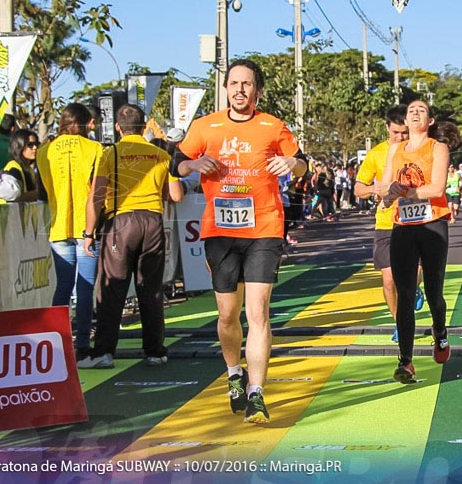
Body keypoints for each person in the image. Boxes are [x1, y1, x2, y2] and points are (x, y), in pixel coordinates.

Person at [172, 59, 307, 423]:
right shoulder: (205, 126)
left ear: (257, 91)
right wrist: (192, 167)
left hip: (264, 228)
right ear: (226, 88)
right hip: (220, 231)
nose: (240, 90)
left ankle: (257, 393)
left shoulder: (272, 126)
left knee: (257, 313)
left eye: (246, 84)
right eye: (234, 83)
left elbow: (302, 162)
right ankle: (234, 373)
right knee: (228, 315)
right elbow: (177, 163)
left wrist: (291, 166)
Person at [79, 104, 183, 369]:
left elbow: (97, 196)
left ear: (117, 128)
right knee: (150, 289)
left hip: (120, 222)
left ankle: (104, 352)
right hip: (152, 221)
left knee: (112, 289)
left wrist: (89, 233)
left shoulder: (110, 153)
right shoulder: (160, 154)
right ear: (145, 125)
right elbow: (177, 195)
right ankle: (155, 351)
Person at [379, 99, 460, 383]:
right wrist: (388, 196)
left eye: (421, 110)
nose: (415, 113)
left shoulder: (438, 148)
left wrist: (408, 194)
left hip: (433, 224)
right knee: (404, 293)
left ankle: (440, 334)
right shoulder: (395, 150)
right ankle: (406, 361)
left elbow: (437, 187)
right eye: (411, 110)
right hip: (403, 226)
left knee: (435, 293)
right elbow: (388, 186)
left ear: (431, 121)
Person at [36, 103, 104, 360]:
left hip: (57, 226)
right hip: (86, 228)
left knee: (63, 286)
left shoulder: (45, 151)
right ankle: (83, 345)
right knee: (85, 288)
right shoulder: (95, 149)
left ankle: (55, 344)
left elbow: (43, 190)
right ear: (86, 123)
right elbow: (98, 193)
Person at [354, 104, 423, 342]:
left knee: (414, 273)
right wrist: (374, 188)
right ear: (387, 128)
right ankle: (399, 323)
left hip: (416, 219)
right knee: (389, 279)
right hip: (385, 221)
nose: (400, 137)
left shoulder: (422, 149)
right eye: (396, 133)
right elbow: (358, 188)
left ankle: (414, 289)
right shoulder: (375, 154)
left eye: (404, 133)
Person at [0, 128, 41, 202]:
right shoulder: (13, 168)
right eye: (30, 145)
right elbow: (14, 196)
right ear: (19, 146)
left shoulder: (28, 169)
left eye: (36, 144)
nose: (35, 148)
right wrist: (39, 193)